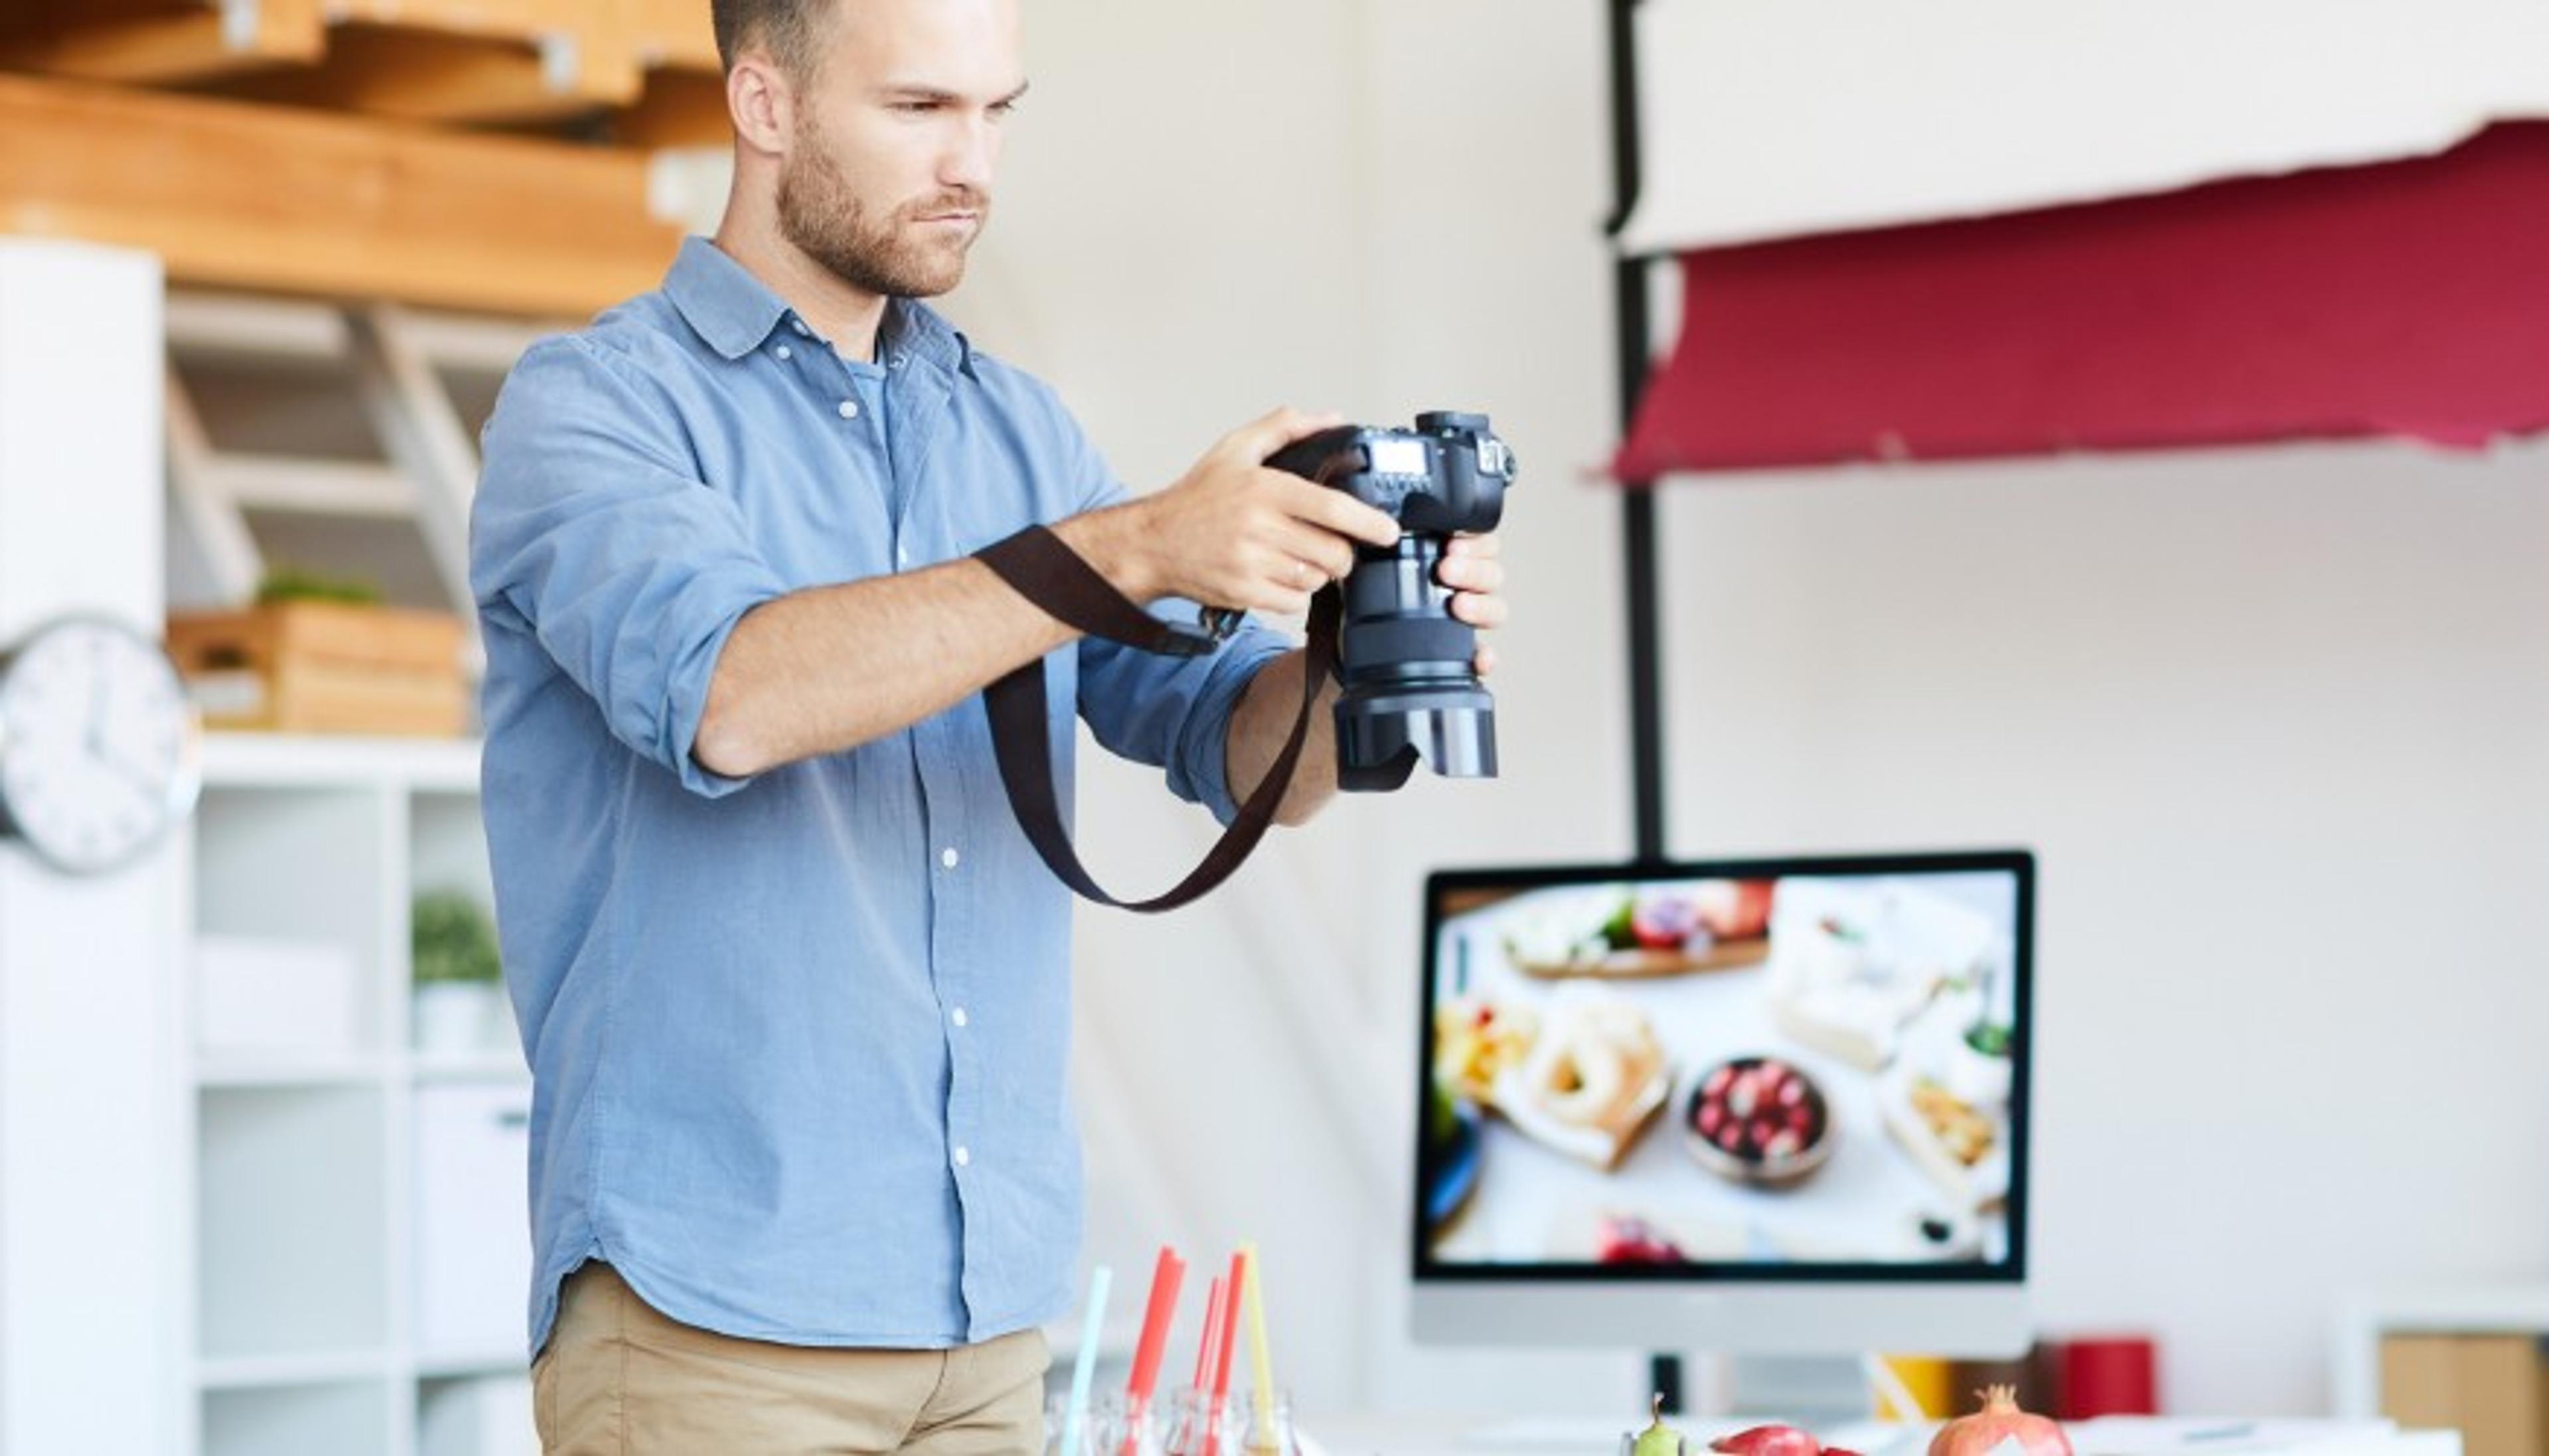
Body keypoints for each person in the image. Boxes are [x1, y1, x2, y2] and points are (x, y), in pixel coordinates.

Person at [469, 0, 1508, 1450]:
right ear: (765, 106)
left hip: (992, 1325)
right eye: (919, 111)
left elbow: (1232, 747)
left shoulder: (1018, 434)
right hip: (716, 1324)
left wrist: (1361, 655)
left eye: (998, 111)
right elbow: (734, 695)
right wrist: (1135, 545)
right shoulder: (594, 409)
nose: (975, 165)